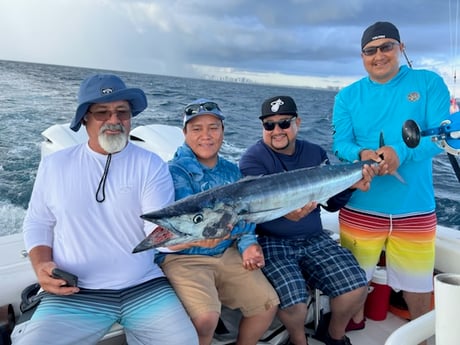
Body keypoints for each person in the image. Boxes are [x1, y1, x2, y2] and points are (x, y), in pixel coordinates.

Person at [11, 74, 198, 345]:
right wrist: (41, 266)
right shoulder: (55, 165)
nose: (114, 120)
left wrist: (192, 235)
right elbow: (38, 222)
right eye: (102, 112)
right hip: (74, 292)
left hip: (143, 285)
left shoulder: (151, 164)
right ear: (84, 118)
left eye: (122, 112)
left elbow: (155, 229)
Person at [332, 21, 451, 345]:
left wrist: (400, 153)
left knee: (418, 286)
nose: (379, 55)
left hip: (415, 207)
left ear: (401, 48)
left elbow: (442, 135)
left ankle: (421, 340)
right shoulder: (347, 96)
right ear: (362, 56)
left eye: (387, 47)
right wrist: (361, 153)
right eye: (371, 50)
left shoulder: (428, 83)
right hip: (361, 207)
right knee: (352, 282)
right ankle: (345, 329)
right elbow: (340, 143)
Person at [239, 95, 377, 345]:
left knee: (357, 288)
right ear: (262, 128)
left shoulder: (314, 153)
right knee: (295, 304)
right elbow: (252, 212)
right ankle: (298, 340)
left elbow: (332, 204)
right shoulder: (252, 159)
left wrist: (353, 185)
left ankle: (333, 335)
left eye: (284, 123)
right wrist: (285, 213)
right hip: (273, 241)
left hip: (315, 238)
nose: (277, 130)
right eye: (269, 125)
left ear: (298, 123)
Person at [154, 98, 280, 345]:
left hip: (226, 251)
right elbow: (166, 229)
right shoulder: (170, 173)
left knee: (266, 305)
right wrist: (200, 240)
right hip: (183, 258)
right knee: (206, 319)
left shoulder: (232, 171)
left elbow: (244, 216)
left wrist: (248, 245)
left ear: (223, 131)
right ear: (184, 133)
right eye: (197, 128)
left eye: (213, 127)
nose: (206, 135)